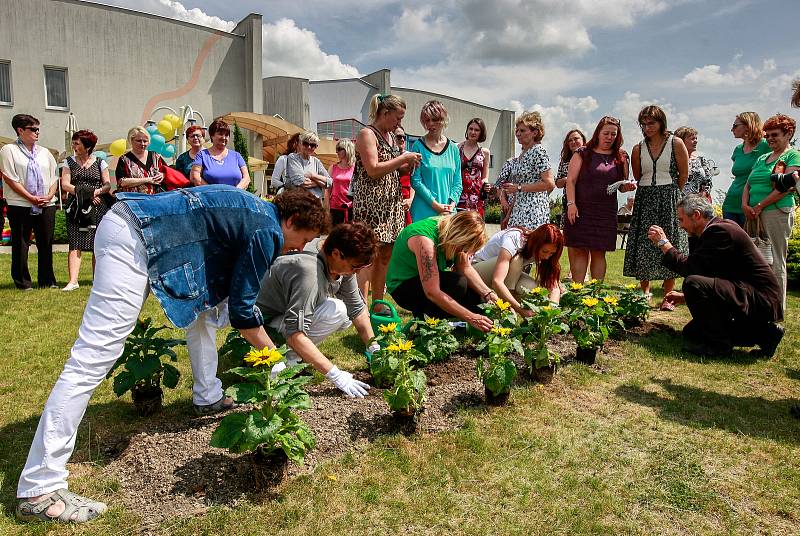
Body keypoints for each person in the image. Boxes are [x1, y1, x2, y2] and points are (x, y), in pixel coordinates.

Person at [14, 187, 340, 524]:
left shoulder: (253, 211)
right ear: (291, 220)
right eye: (304, 237)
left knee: (202, 317)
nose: (301, 248)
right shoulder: (267, 229)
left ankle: (207, 396)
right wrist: (273, 360)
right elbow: (244, 314)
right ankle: (40, 488)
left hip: (131, 223)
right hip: (135, 237)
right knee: (93, 357)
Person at [648, 194, 783, 357]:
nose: (680, 225)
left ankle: (719, 346)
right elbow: (712, 271)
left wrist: (664, 244)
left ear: (696, 215)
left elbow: (691, 269)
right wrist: (685, 297)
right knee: (693, 333)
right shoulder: (716, 229)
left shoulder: (721, 231)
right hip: (748, 293)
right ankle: (766, 334)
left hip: (758, 298)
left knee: (693, 283)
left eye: (682, 220)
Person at [256, 222, 379, 391]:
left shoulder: (340, 267)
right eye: (355, 266)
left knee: (342, 316)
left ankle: (292, 357)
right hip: (261, 324)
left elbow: (357, 309)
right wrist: (335, 374)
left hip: (284, 314)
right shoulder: (310, 272)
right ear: (336, 253)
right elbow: (295, 333)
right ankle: (284, 362)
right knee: (335, 310)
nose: (357, 272)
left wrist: (374, 348)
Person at [352, 94, 421, 307]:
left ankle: (378, 302)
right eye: (397, 118)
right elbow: (372, 169)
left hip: (390, 206)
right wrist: (403, 158)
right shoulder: (367, 134)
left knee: (385, 256)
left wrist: (407, 165)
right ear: (385, 113)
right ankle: (360, 306)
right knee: (367, 257)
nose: (399, 123)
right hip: (371, 206)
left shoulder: (390, 137)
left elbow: (391, 167)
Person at [622, 105, 689, 311]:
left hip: (669, 195)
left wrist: (672, 195)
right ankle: (645, 292)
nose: (647, 127)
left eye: (651, 123)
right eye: (644, 123)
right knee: (645, 242)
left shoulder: (676, 143)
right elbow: (639, 173)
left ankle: (669, 295)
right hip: (645, 197)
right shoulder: (638, 148)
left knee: (669, 240)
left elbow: (683, 174)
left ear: (661, 123)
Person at [386, 210, 494, 332]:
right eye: (464, 248)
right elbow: (432, 292)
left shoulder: (452, 233)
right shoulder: (425, 241)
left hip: (425, 284)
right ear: (458, 237)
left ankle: (456, 324)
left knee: (479, 301)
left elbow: (465, 268)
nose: (463, 251)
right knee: (458, 283)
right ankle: (431, 322)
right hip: (402, 288)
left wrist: (489, 295)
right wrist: (471, 317)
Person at [564, 116, 634, 283]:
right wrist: (571, 204)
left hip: (605, 212)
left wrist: (627, 187)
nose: (610, 137)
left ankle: (595, 295)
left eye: (613, 134)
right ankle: (578, 292)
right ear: (598, 133)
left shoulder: (621, 156)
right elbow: (570, 181)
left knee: (599, 252)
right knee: (580, 251)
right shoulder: (582, 153)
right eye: (606, 133)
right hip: (581, 209)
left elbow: (622, 185)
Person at [741, 113, 798, 315]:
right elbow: (748, 183)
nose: (770, 139)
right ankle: (758, 305)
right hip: (753, 214)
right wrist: (745, 205)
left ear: (788, 133)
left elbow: (786, 187)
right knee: (756, 261)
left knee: (775, 261)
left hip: (776, 211)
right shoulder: (764, 157)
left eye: (775, 134)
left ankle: (776, 309)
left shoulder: (792, 156)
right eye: (768, 135)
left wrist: (760, 205)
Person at [0, 114, 59, 290]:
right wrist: (30, 197)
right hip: (20, 204)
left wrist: (49, 196)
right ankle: (23, 282)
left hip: (46, 204)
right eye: (33, 129)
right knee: (21, 244)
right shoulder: (9, 150)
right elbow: (10, 178)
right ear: (20, 130)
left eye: (38, 129)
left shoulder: (45, 152)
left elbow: (54, 177)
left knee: (46, 243)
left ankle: (47, 280)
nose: (37, 132)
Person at [471, 223, 564, 316]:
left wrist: (552, 313)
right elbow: (497, 282)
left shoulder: (547, 255)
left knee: (535, 290)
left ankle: (526, 317)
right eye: (544, 251)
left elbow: (554, 288)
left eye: (552, 253)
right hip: (476, 272)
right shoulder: (514, 239)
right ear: (536, 243)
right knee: (516, 261)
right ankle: (507, 308)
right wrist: (519, 309)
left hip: (505, 273)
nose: (547, 257)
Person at [60, 130, 111, 291]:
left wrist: (95, 193)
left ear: (87, 146)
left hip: (98, 207)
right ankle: (73, 281)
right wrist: (87, 195)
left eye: (77, 143)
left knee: (98, 242)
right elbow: (66, 185)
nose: (74, 146)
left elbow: (107, 184)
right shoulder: (69, 162)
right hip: (76, 207)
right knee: (75, 241)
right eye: (73, 143)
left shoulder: (100, 162)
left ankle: (98, 279)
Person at [495, 111, 555, 229]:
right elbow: (518, 189)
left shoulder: (538, 151)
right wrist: (509, 215)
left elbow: (549, 184)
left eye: (522, 130)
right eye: (517, 130)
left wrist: (519, 187)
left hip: (533, 211)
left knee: (528, 246)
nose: (517, 133)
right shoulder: (523, 154)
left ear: (534, 133)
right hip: (518, 210)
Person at [410, 100, 462, 221]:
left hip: (448, 213)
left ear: (443, 119)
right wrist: (436, 206)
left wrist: (452, 205)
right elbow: (416, 181)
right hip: (423, 212)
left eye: (435, 119)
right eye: (427, 120)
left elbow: (458, 182)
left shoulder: (453, 148)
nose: (430, 124)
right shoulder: (418, 146)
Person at [722, 112, 770, 226]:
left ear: (748, 125)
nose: (732, 129)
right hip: (731, 203)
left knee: (752, 242)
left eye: (735, 126)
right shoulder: (738, 149)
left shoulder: (766, 146)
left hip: (752, 205)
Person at [190, 118, 250, 189]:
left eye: (227, 135)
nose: (224, 137)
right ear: (212, 135)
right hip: (210, 198)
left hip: (234, 197)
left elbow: (246, 178)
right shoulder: (202, 155)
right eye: (220, 134)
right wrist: (214, 192)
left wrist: (236, 191)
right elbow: (195, 177)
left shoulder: (237, 156)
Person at [115, 126, 168, 195]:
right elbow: (122, 182)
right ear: (131, 140)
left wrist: (163, 175)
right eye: (139, 141)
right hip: (134, 201)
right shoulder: (124, 159)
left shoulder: (155, 156)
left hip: (156, 200)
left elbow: (168, 171)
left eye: (145, 141)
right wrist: (148, 180)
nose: (142, 144)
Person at [457, 118, 491, 216]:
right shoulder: (457, 147)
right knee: (458, 226)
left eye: (477, 130)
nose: (473, 132)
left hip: (476, 196)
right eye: (470, 129)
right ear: (467, 130)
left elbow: (485, 177)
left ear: (481, 133)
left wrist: (486, 184)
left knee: (474, 227)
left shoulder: (485, 152)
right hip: (459, 193)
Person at [285, 131, 331, 200]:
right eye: (306, 144)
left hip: (316, 203)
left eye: (312, 145)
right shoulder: (293, 158)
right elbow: (301, 182)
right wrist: (320, 183)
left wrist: (312, 175)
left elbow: (330, 182)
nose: (309, 147)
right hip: (299, 202)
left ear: (316, 147)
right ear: (300, 143)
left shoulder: (316, 161)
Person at [555, 129, 586, 228]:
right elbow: (558, 183)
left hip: (587, 201)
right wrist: (568, 180)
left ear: (583, 140)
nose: (573, 142)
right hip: (569, 202)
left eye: (576, 139)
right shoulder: (564, 161)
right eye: (570, 140)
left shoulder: (590, 158)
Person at [674, 126, 719, 195]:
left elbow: (708, 182)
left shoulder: (701, 160)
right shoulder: (672, 160)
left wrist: (702, 196)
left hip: (697, 202)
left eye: (696, 138)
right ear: (681, 141)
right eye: (692, 139)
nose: (696, 141)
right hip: (678, 202)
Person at [325, 138, 355, 224]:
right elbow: (327, 189)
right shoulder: (333, 168)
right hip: (335, 208)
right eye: (336, 150)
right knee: (336, 235)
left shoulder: (356, 168)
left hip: (352, 208)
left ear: (347, 149)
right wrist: (327, 208)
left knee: (352, 235)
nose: (336, 152)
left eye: (339, 149)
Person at [394, 125, 414, 226]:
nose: (402, 139)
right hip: (390, 201)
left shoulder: (410, 157)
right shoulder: (386, 157)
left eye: (404, 137)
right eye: (398, 137)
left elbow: (414, 181)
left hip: (406, 202)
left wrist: (410, 200)